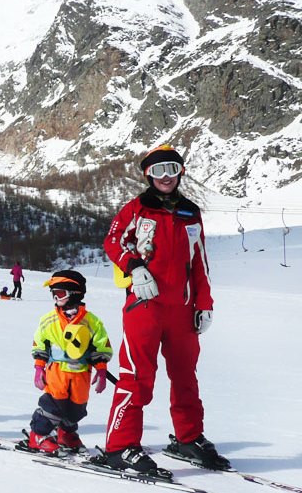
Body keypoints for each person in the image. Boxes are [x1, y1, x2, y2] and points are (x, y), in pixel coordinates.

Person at [98, 144, 230, 473]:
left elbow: (198, 261)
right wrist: (134, 267)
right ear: (147, 175)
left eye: (172, 169)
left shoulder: (189, 211)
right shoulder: (136, 208)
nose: (166, 176)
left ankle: (188, 437)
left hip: (182, 310)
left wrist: (204, 304)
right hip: (145, 305)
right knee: (138, 376)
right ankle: (120, 446)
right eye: (158, 171)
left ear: (181, 171)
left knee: (185, 377)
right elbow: (113, 242)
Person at [21, 270, 111, 454]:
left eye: (60, 293)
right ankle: (38, 434)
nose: (56, 298)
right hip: (57, 371)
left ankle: (66, 433)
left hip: (82, 372)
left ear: (75, 293)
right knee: (53, 405)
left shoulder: (92, 322)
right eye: (53, 294)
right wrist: (39, 368)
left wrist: (101, 369)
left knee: (77, 408)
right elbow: (39, 344)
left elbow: (101, 345)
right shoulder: (49, 320)